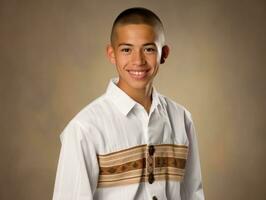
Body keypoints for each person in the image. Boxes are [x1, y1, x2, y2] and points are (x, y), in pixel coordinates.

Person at [52, 7, 205, 200]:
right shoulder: (84, 128)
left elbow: (192, 194)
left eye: (148, 49)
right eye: (126, 49)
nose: (138, 60)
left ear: (164, 54)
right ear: (111, 54)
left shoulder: (181, 118)